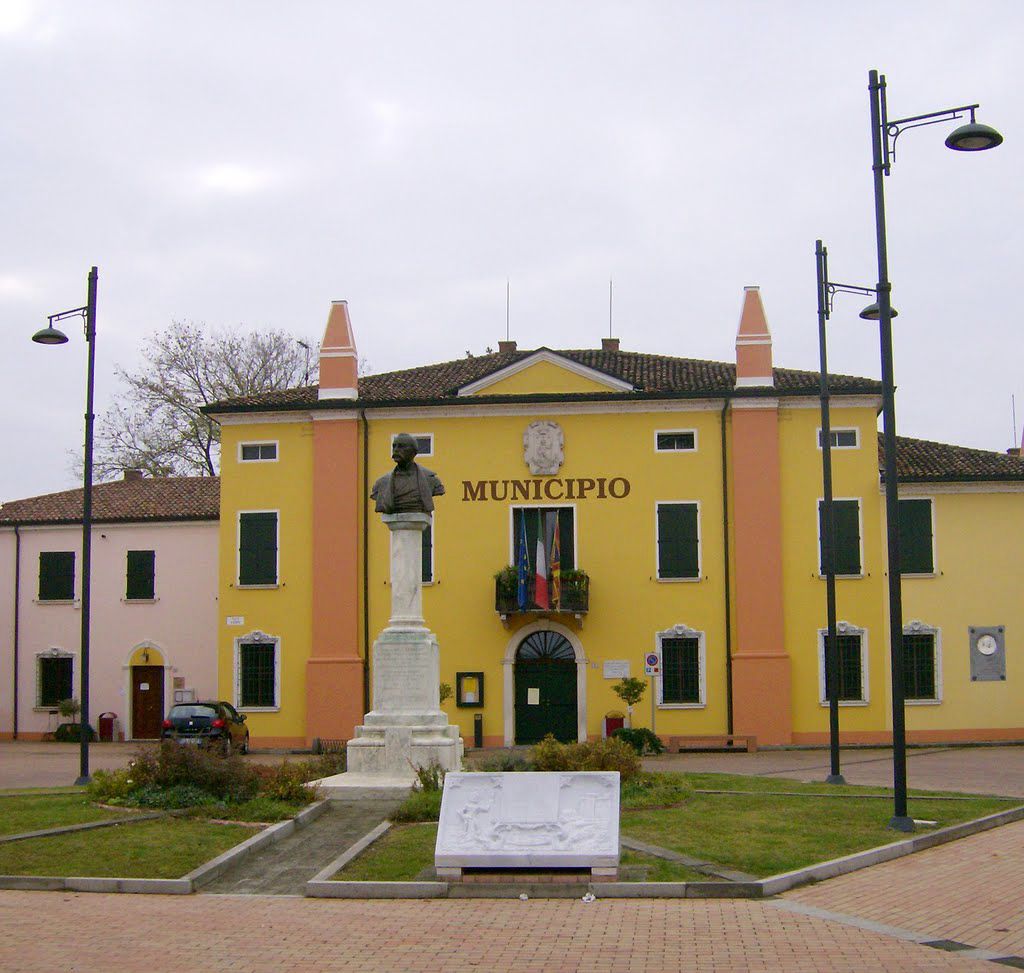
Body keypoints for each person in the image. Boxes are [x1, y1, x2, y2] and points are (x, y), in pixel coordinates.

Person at [371, 433, 445, 513]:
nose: (396, 450)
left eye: (401, 446)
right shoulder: (382, 483)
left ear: (414, 452)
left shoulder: (430, 479)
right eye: (394, 446)